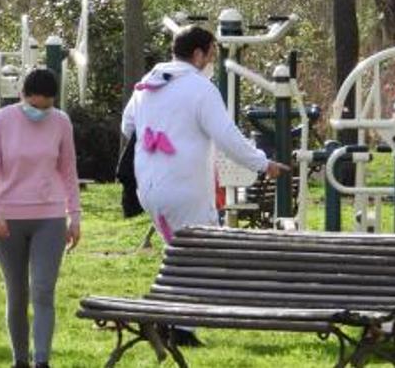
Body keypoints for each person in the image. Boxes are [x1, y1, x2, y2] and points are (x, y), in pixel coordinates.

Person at [119, 25, 288, 346]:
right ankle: (178, 327)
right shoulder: (199, 88)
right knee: (198, 255)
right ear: (198, 54)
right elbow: (226, 136)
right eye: (211, 53)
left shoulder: (149, 84)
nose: (212, 59)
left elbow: (128, 125)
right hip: (184, 186)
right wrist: (262, 163)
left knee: (178, 252)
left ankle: (174, 322)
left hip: (150, 186)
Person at [0, 68, 81, 368]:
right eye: (35, 106)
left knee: (43, 290)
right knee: (18, 292)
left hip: (49, 216)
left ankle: (42, 361)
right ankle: (19, 359)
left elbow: (68, 171)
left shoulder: (61, 122)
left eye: (47, 106)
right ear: (23, 97)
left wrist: (74, 215)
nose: (41, 113)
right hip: (7, 220)